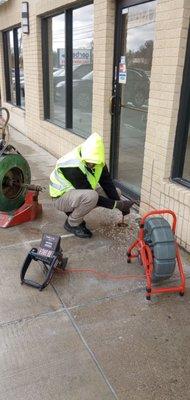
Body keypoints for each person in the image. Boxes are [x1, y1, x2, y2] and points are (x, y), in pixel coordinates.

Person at [49, 132, 134, 238]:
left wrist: (120, 204)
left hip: (76, 195)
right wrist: (117, 205)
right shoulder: (72, 165)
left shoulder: (98, 161)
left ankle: (75, 214)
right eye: (88, 162)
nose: (91, 165)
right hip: (60, 198)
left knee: (117, 192)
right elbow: (93, 196)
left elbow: (107, 184)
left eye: (94, 163)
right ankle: (72, 223)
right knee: (91, 196)